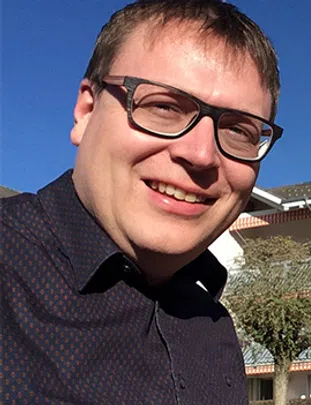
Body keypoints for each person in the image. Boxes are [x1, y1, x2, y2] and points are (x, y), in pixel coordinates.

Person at [0, 1, 281, 403]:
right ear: (86, 111)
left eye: (239, 131)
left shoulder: (212, 323)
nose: (201, 154)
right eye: (164, 107)